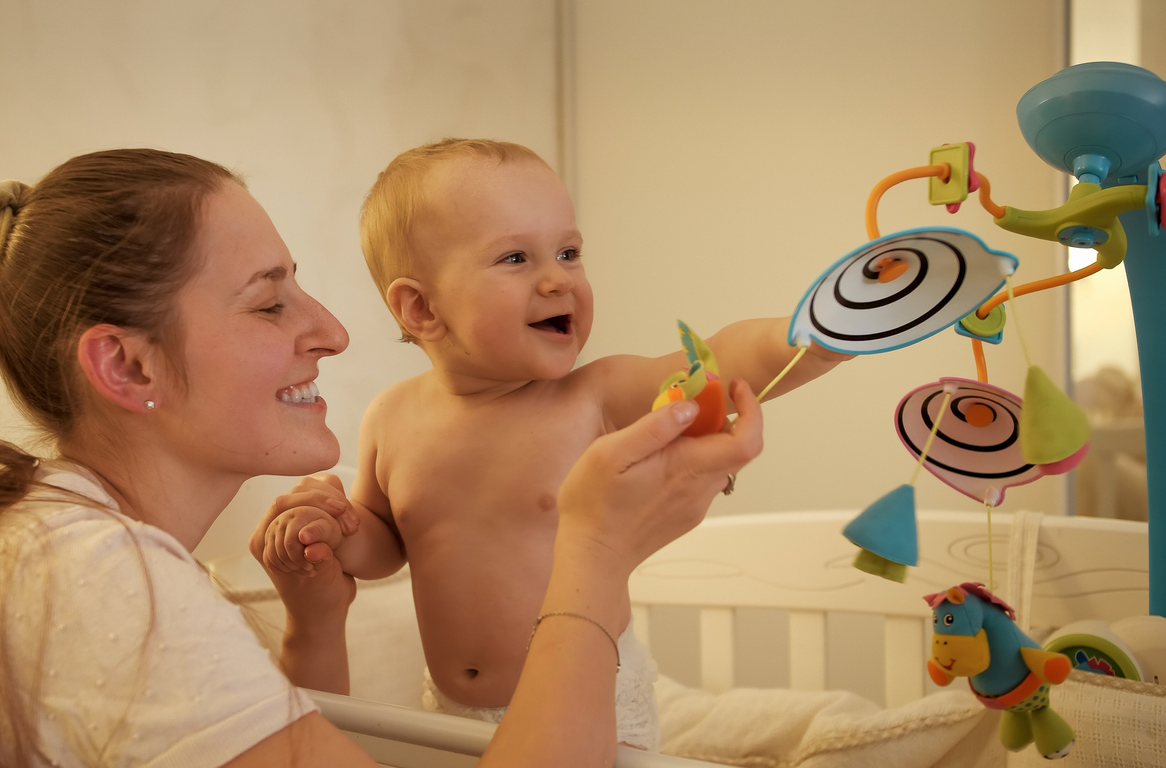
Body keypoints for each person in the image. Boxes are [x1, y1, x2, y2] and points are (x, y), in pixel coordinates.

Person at [0, 147, 764, 767]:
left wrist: (318, 622)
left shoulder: (35, 541)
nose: (336, 331)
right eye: (270, 301)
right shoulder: (95, 579)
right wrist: (595, 556)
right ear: (126, 364)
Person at [257, 139, 847, 749]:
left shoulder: (594, 397)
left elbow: (720, 359)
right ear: (421, 307)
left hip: (596, 701)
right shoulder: (392, 416)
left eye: (569, 252)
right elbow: (388, 542)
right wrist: (338, 536)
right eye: (515, 257)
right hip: (447, 712)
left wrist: (814, 331)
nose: (557, 279)